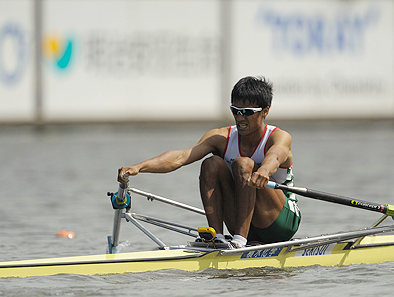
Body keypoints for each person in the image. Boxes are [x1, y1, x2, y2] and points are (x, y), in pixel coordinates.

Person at [118, 76, 301, 248]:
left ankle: (239, 241)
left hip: (280, 222)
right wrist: (139, 167)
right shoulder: (220, 137)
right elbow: (181, 157)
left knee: (243, 164)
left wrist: (265, 171)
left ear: (265, 111)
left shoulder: (279, 137)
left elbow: (275, 157)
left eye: (246, 112)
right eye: (235, 111)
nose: (239, 118)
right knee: (211, 163)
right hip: (242, 220)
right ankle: (217, 238)